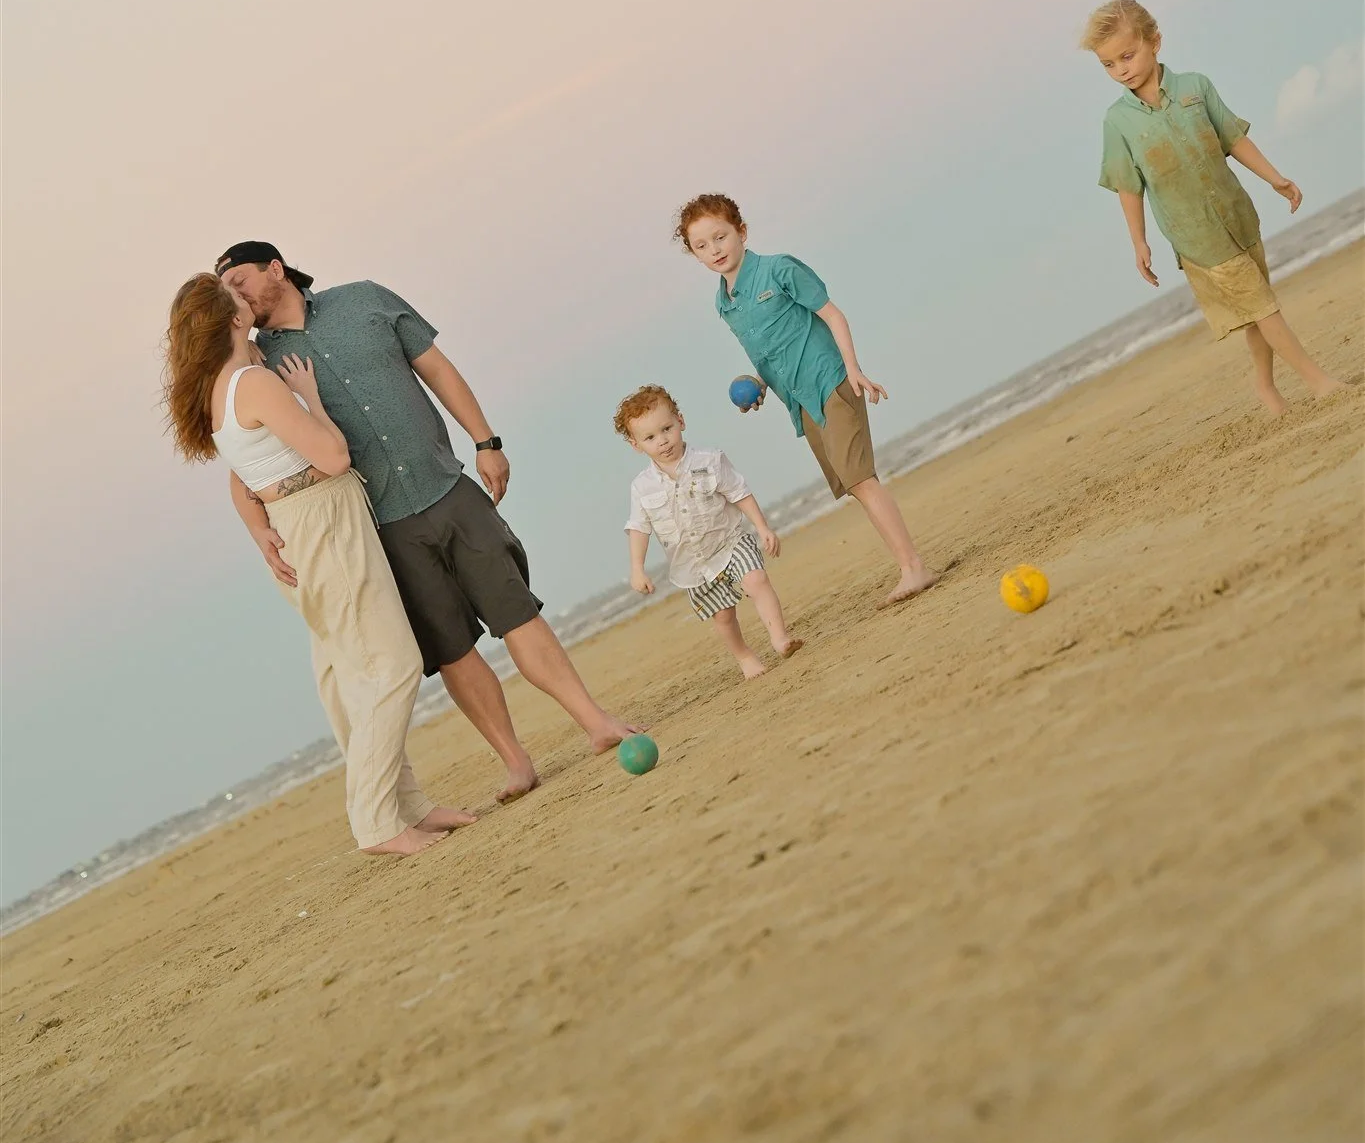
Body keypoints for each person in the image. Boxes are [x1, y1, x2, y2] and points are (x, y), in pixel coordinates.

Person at [214, 243, 633, 798]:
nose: (236, 297)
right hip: (378, 528)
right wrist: (257, 527)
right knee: (452, 649)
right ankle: (515, 762)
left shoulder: (365, 301)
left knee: (518, 613)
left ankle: (596, 724)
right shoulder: (256, 365)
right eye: (226, 292)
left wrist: (487, 441)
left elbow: (438, 370)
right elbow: (243, 454)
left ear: (275, 268)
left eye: (240, 281)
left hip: (447, 488)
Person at [164, 273, 476, 856]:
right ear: (232, 320)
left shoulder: (218, 389)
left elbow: (243, 480)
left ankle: (408, 808)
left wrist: (261, 532)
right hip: (324, 524)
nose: (250, 307)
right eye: (239, 302)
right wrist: (312, 400)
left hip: (297, 528)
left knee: (351, 676)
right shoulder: (253, 382)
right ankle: (378, 823)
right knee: (393, 664)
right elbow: (333, 457)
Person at [1082, 0, 1346, 415]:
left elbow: (1233, 139)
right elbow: (1128, 187)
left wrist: (1276, 179)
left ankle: (1265, 387)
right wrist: (1140, 243)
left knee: (1259, 307)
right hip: (1197, 237)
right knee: (1264, 308)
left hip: (1238, 217)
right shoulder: (1118, 123)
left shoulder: (1196, 87)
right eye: (1109, 65)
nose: (1121, 71)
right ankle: (1319, 383)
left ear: (1155, 42)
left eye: (1127, 56)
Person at [674, 195, 940, 607]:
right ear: (694, 254)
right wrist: (759, 383)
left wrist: (853, 369)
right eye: (702, 246)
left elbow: (833, 315)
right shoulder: (723, 303)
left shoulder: (779, 268)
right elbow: (772, 350)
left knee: (861, 481)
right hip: (799, 401)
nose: (715, 250)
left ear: (741, 232)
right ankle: (910, 565)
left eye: (721, 237)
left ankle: (913, 568)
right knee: (856, 487)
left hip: (831, 381)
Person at [615, 384, 801, 680]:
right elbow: (639, 527)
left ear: (681, 422)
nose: (662, 441)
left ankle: (780, 637)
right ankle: (744, 657)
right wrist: (637, 569)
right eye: (650, 437)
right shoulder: (642, 487)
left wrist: (762, 527)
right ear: (636, 445)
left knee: (756, 579)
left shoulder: (710, 460)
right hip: (693, 565)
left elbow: (739, 493)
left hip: (730, 540)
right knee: (724, 615)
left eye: (667, 429)